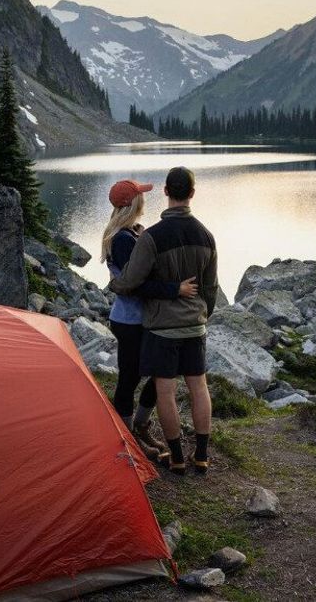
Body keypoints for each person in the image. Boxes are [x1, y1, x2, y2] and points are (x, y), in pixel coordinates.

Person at [108, 167, 218, 475]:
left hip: (162, 328)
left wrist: (114, 284)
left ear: (167, 192)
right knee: (199, 387)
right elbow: (210, 288)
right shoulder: (206, 235)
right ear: (192, 194)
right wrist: (201, 313)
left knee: (166, 391)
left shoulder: (152, 236)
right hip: (195, 325)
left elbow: (129, 280)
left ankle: (177, 458)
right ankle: (202, 455)